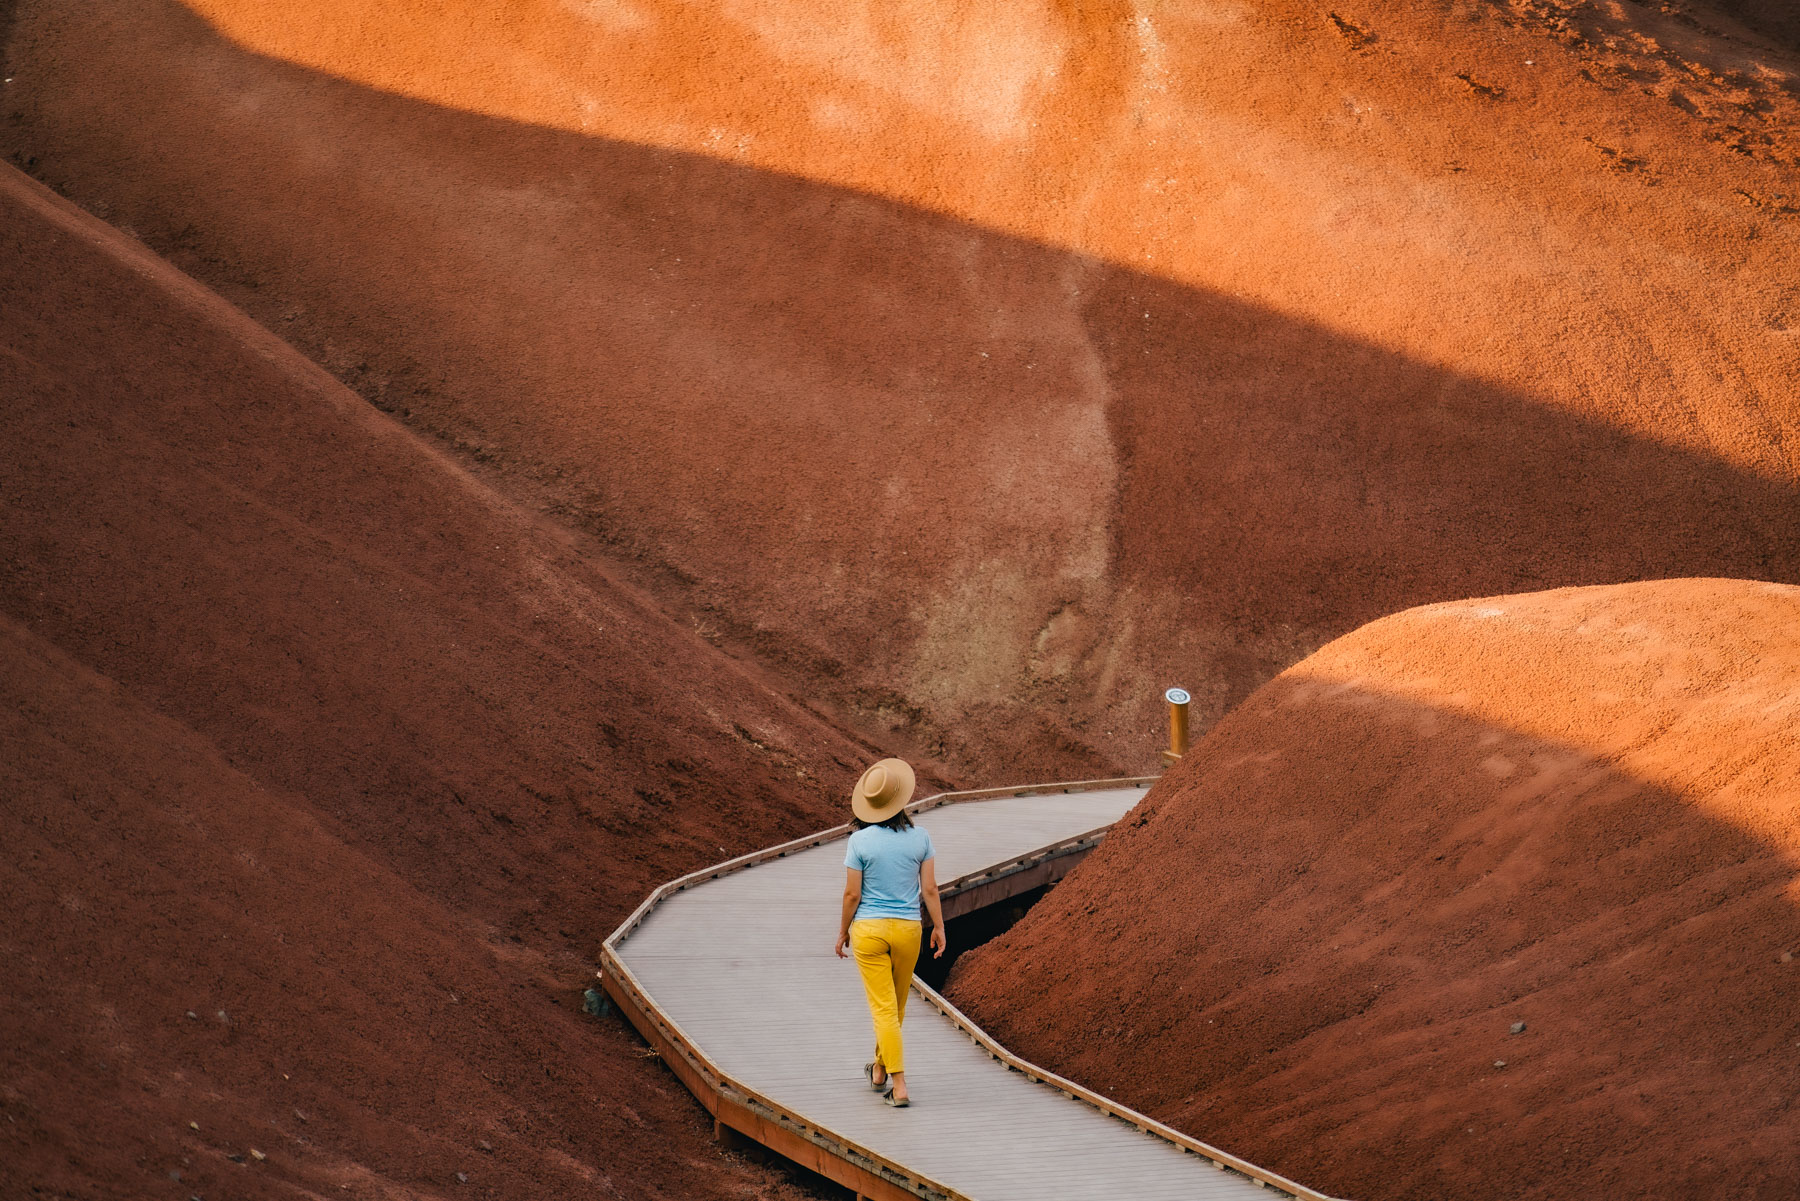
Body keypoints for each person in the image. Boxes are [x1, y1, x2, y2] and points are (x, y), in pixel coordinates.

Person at [833, 757, 945, 1107]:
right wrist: (939, 926)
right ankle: (880, 1070)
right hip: (909, 929)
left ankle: (899, 1085)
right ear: (902, 800)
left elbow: (852, 894)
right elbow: (929, 890)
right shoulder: (921, 837)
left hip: (869, 930)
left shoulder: (860, 842)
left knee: (884, 1010)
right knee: (895, 1008)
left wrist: (842, 932)